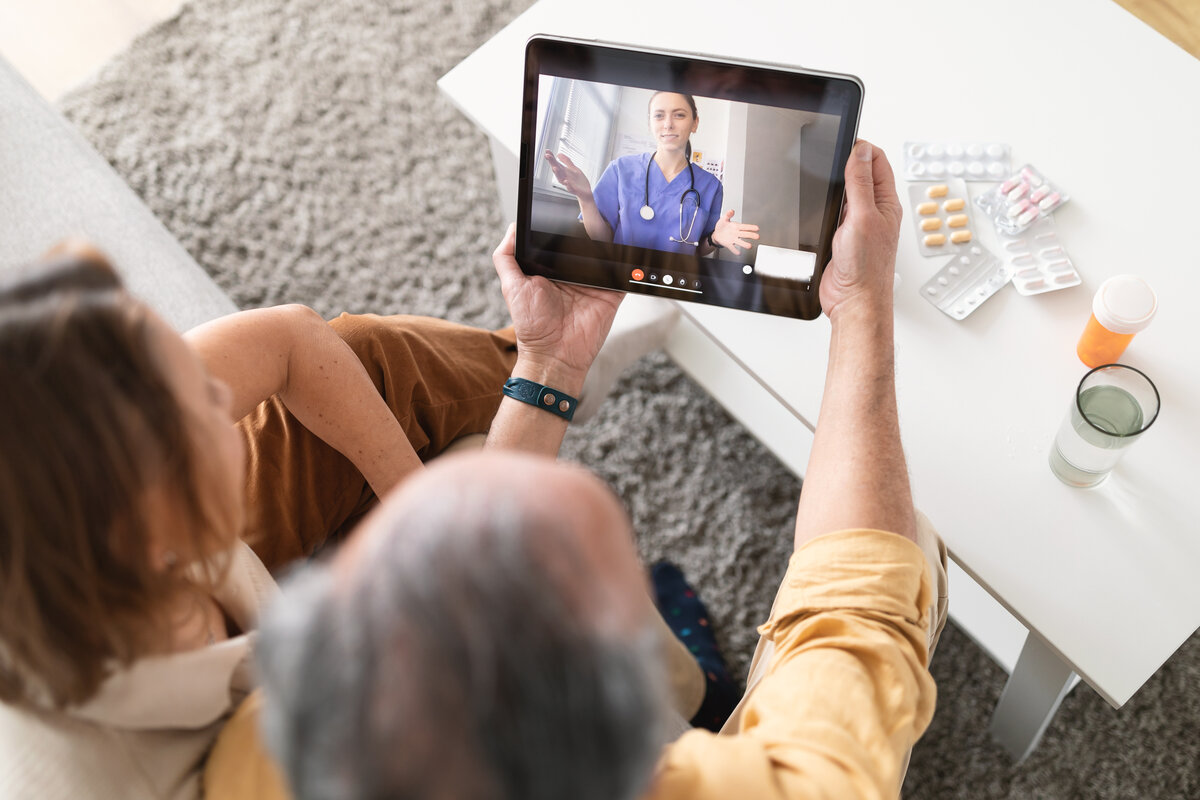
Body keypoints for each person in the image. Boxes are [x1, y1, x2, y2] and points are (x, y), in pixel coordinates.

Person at [218, 139, 949, 800]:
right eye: (620, 600)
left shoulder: (265, 754)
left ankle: (698, 693)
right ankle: (712, 700)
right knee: (912, 540)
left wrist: (551, 364)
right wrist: (859, 304)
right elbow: (858, 605)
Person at [0, 229, 682, 797]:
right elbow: (474, 642)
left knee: (360, 355)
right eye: (205, 403)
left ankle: (531, 360)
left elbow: (288, 340)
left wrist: (549, 359)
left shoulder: (57, 522)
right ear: (147, 530)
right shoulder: (241, 767)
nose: (225, 400)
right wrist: (549, 374)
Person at [544, 91, 760, 257]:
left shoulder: (711, 186)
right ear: (650, 123)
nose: (668, 124)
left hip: (675, 284)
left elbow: (697, 249)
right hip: (620, 278)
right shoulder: (621, 170)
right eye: (659, 116)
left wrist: (714, 239)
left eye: (680, 115)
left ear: (695, 123)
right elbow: (602, 238)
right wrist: (585, 197)